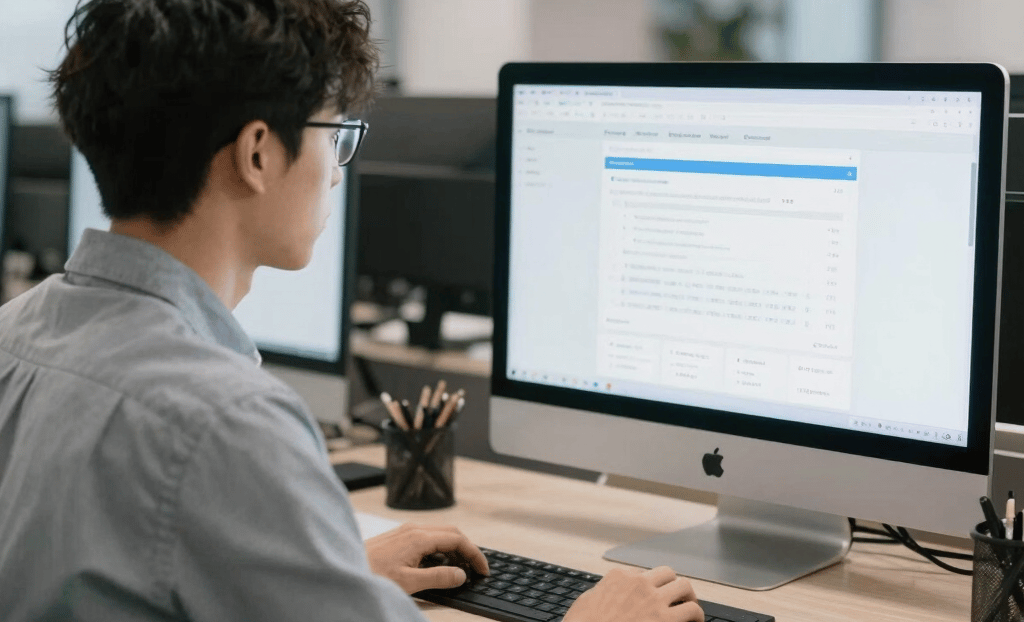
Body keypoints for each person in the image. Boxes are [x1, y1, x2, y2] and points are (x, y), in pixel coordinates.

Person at [0, 1, 704, 621]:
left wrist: (326, 579)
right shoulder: (224, 421)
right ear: (257, 151)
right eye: (333, 135)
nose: (337, 169)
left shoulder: (14, 336)